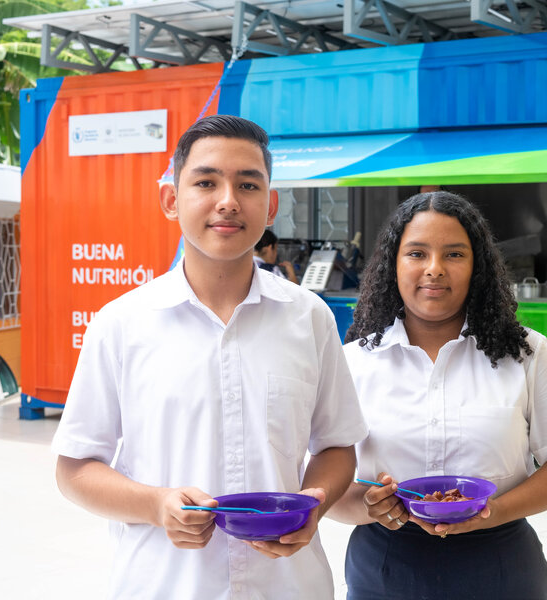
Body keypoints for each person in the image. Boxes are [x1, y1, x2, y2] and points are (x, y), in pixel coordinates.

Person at [51, 114, 367, 599]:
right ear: (171, 200)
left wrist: (313, 506)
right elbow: (74, 470)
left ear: (270, 205)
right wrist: (155, 504)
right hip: (164, 585)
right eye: (205, 182)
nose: (228, 201)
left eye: (247, 184)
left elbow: (337, 446)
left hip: (286, 585)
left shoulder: (309, 318)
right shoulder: (122, 323)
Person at [329, 191, 547, 599]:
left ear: (478, 267)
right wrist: (368, 506)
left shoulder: (525, 352)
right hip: (385, 563)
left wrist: (494, 512)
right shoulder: (353, 362)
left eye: (454, 254)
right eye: (416, 253)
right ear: (392, 265)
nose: (434, 270)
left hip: (501, 563)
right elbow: (327, 484)